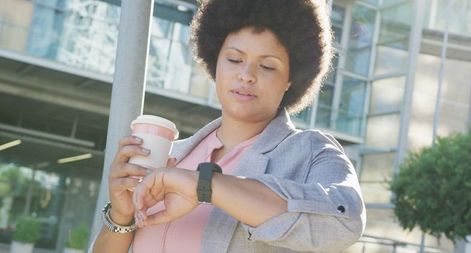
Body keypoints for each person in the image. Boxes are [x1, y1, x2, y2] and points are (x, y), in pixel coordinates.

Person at [92, 0, 366, 252]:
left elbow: (345, 221)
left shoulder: (311, 153)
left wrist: (204, 185)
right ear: (215, 62)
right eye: (234, 60)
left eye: (268, 66)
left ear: (291, 79)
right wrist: (121, 214)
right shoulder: (173, 156)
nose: (246, 75)